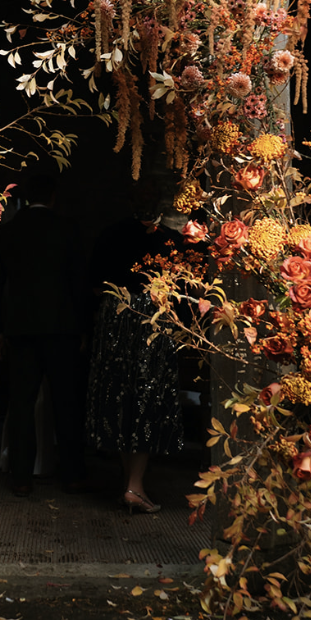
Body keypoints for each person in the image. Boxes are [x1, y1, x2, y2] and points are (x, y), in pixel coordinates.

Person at [0, 174, 88, 497]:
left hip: (21, 327)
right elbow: (79, 282)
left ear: (27, 197)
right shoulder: (68, 229)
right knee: (66, 402)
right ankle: (72, 475)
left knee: (22, 402)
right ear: (53, 196)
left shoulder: (9, 231)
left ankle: (21, 477)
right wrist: (84, 327)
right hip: (61, 327)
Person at [86, 203, 185, 514]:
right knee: (146, 396)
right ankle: (134, 486)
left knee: (120, 396)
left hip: (115, 316)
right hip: (151, 318)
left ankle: (130, 484)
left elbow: (94, 285)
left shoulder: (110, 234)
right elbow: (182, 288)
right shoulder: (170, 239)